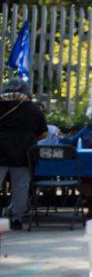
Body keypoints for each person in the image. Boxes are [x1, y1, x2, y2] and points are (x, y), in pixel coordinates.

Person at [0, 79, 48, 230]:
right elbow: (43, 133)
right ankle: (17, 219)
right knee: (20, 186)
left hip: (0, 149)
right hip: (24, 153)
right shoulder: (33, 109)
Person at [64, 104, 92, 218]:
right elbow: (71, 142)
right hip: (88, 165)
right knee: (83, 181)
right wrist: (61, 137)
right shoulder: (87, 129)